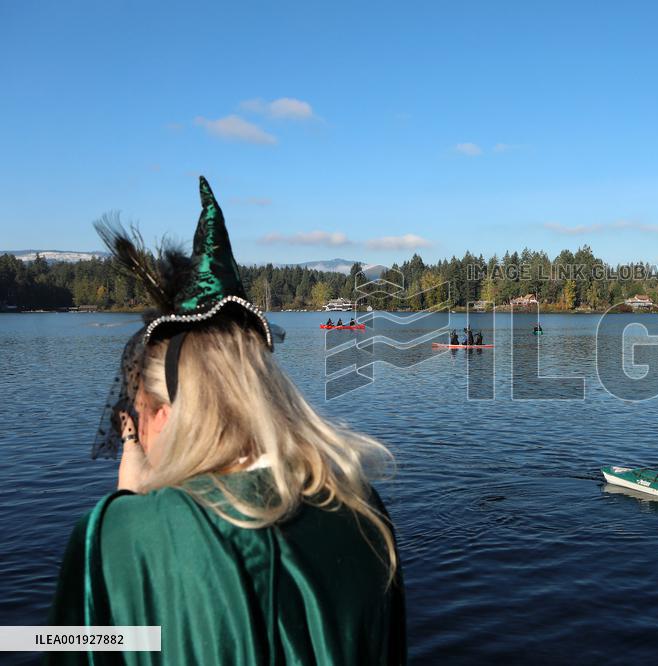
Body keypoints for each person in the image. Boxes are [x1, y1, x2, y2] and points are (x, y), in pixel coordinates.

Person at [48, 177, 406, 665]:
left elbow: (100, 643)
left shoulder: (118, 541)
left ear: (168, 414)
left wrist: (127, 506)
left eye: (139, 416)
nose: (135, 433)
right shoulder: (360, 505)